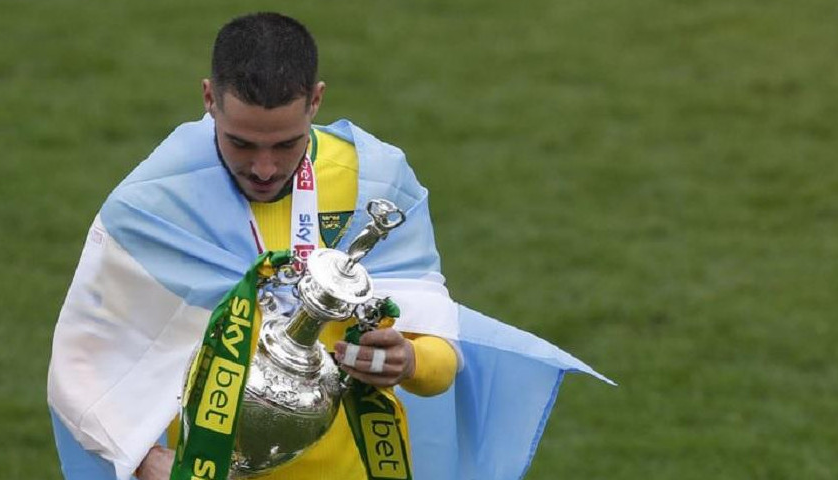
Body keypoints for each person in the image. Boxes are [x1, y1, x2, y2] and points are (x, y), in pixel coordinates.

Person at [49, 11, 610, 480]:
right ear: (208, 100)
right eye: (241, 143)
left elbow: (440, 355)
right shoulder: (153, 203)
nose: (264, 168)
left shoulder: (376, 184)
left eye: (286, 144)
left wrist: (409, 359)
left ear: (316, 101)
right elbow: (85, 361)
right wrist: (144, 459)